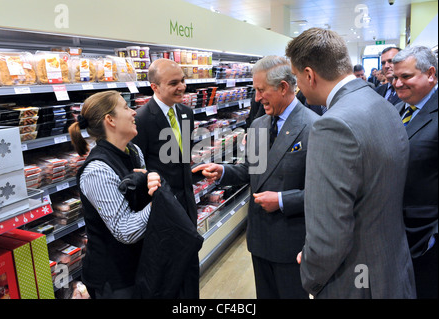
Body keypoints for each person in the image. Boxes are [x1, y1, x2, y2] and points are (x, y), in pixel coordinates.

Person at [286, 27, 416, 298]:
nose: (299, 86)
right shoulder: (383, 104)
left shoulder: (332, 125)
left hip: (354, 282)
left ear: (309, 75)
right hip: (392, 269)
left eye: (297, 78)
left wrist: (311, 276)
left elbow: (329, 232)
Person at [193, 55, 319, 299]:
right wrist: (223, 172)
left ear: (283, 88)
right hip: (260, 238)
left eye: (261, 90)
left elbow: (322, 193)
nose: (257, 98)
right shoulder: (260, 124)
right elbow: (254, 169)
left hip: (292, 242)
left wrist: (282, 200)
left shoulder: (314, 127)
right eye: (254, 90)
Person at [68, 90, 161, 299]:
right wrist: (159, 203)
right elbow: (125, 230)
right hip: (114, 279)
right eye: (126, 107)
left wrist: (151, 184)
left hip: (139, 265)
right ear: (110, 119)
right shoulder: (97, 171)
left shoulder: (133, 151)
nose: (134, 112)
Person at [131, 58, 199, 298]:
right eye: (174, 83)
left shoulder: (186, 113)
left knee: (191, 270)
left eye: (183, 81)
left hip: (188, 206)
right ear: (155, 87)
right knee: (169, 276)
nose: (182, 87)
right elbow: (137, 170)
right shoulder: (141, 120)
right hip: (162, 212)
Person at [392, 45, 438, 299]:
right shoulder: (399, 111)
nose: (398, 84)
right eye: (395, 78)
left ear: (430, 73)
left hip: (427, 240)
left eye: (406, 77)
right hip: (399, 237)